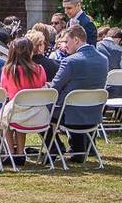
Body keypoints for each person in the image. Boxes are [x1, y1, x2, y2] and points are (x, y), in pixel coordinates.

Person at [46, 24, 109, 162]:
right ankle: (78, 151)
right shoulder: (103, 60)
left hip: (70, 115)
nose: (65, 46)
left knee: (41, 111)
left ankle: (55, 148)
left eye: (66, 42)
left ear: (76, 40)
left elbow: (54, 88)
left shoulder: (70, 61)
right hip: (94, 112)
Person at [0, 37, 49, 165]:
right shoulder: (40, 69)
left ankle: (10, 151)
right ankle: (20, 152)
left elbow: (5, 91)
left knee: (5, 118)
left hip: (18, 113)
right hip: (38, 113)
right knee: (16, 113)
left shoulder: (8, 71)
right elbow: (42, 87)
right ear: (30, 52)